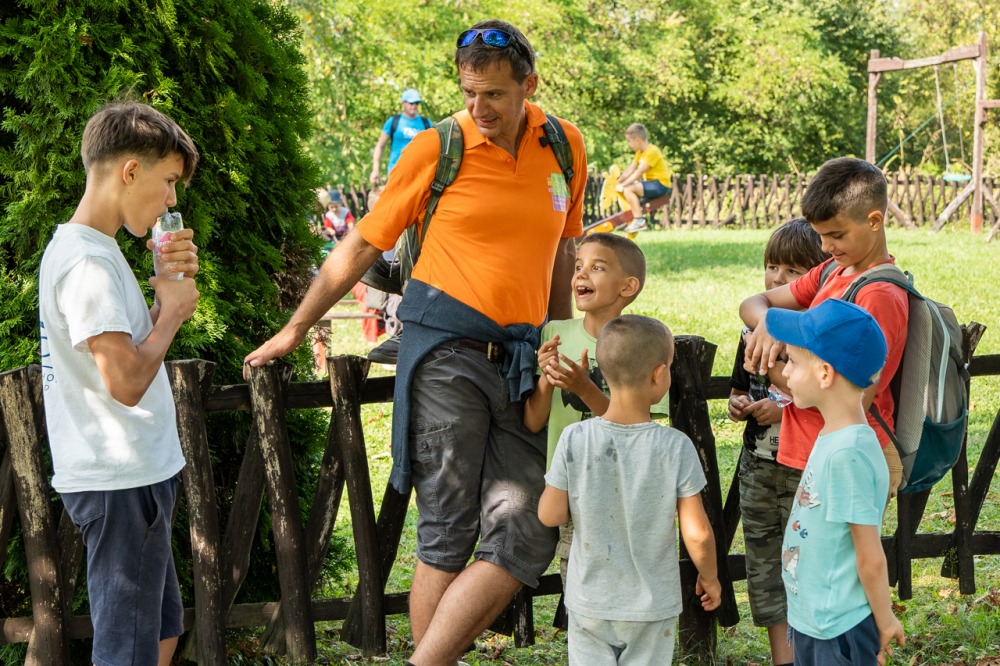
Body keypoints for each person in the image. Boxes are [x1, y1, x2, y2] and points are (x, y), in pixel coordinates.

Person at [245, 19, 587, 666]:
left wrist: (561, 340)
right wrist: (297, 326)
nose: (480, 108)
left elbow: (564, 250)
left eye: (495, 94)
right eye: (469, 93)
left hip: (524, 360)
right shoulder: (437, 147)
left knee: (528, 529)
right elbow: (362, 243)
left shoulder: (565, 145)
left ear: (530, 85)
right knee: (448, 533)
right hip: (446, 352)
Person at [38, 101, 201, 666]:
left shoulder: (94, 252)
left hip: (134, 476)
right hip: (121, 481)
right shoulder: (86, 264)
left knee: (160, 634)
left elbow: (122, 356)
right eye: (169, 181)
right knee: (126, 652)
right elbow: (126, 382)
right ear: (130, 171)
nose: (172, 200)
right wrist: (172, 315)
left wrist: (162, 303)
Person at [538, 315, 721, 665]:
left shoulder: (575, 438)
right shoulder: (675, 446)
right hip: (651, 607)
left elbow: (550, 514)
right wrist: (710, 577)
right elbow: (697, 533)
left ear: (603, 372)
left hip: (589, 601)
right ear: (659, 374)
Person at [740, 157, 908, 499]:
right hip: (814, 448)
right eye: (820, 235)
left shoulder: (878, 297)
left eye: (836, 235)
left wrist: (774, 370)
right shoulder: (832, 270)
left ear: (874, 221)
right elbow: (754, 303)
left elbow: (853, 398)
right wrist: (769, 323)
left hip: (847, 457)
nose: (825, 247)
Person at [523, 233, 668, 586]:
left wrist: (584, 388)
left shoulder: (643, 342)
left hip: (625, 490)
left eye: (597, 267)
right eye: (578, 266)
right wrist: (547, 378)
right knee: (578, 580)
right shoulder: (554, 333)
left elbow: (635, 427)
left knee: (628, 578)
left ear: (627, 287)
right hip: (571, 489)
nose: (581, 274)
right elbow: (533, 421)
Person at [766, 299, 906, 664]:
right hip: (816, 618)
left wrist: (885, 619)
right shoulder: (835, 435)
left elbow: (870, 556)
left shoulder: (848, 454)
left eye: (793, 362)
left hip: (837, 629)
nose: (786, 371)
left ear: (825, 374)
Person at [727, 218, 828, 666]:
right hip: (759, 467)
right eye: (772, 267)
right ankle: (782, 659)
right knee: (766, 567)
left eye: (792, 271)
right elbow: (740, 386)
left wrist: (783, 413)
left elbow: (832, 403)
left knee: (809, 563)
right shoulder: (753, 331)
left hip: (806, 472)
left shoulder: (819, 336)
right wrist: (739, 403)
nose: (777, 279)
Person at [369, 88, 433, 186]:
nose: (414, 106)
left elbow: (433, 148)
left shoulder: (426, 123)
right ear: (403, 103)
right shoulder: (394, 121)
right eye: (411, 103)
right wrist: (375, 169)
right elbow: (380, 146)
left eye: (416, 103)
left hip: (420, 173)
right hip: (396, 171)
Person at [616, 123, 672, 234]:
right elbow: (630, 170)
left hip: (660, 184)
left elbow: (638, 172)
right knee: (627, 188)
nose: (628, 144)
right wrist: (618, 181)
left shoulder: (652, 151)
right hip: (651, 184)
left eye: (629, 141)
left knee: (629, 189)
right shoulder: (639, 153)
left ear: (637, 140)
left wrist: (623, 185)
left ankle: (639, 220)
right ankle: (632, 217)